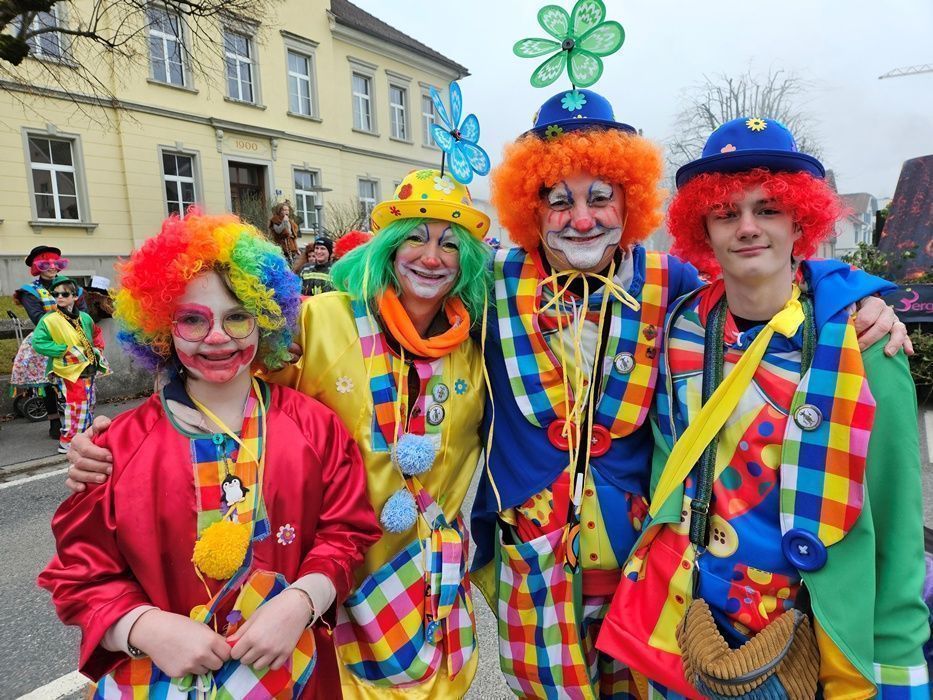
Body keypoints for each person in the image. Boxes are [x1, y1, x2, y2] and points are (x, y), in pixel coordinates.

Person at [468, 89, 913, 698]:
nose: (582, 220)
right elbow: (414, 272)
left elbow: (765, 272)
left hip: (647, 569)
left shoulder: (671, 286)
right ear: (530, 206)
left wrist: (855, 292)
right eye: (559, 200)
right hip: (536, 558)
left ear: (631, 202)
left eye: (600, 197)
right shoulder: (486, 283)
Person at [64, 169, 494, 699]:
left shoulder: (481, 342)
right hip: (331, 595)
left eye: (450, 244)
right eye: (415, 237)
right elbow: (227, 383)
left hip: (417, 580)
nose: (431, 257)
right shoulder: (322, 321)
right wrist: (127, 439)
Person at [596, 118, 930, 698]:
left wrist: (901, 675)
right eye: (726, 213)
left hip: (816, 636)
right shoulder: (678, 329)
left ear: (800, 221)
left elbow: (899, 529)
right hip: (694, 630)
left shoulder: (866, 344)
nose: (747, 227)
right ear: (703, 228)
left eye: (768, 209)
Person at [38, 211, 380, 698]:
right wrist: (144, 627)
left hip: (293, 677)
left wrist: (302, 600)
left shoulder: (315, 427)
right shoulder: (119, 447)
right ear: (162, 329)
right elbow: (81, 573)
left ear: (265, 320)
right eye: (193, 319)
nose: (217, 337)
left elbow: (346, 533)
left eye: (237, 316)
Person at [13, 246, 87, 438]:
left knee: (77, 379)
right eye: (46, 263)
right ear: (37, 266)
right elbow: (38, 318)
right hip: (46, 341)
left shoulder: (73, 287)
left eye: (56, 263)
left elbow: (84, 313)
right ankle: (54, 422)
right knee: (48, 383)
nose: (52, 267)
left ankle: (78, 420)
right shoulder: (30, 292)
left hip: (73, 339)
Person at [31, 275, 109, 454]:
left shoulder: (85, 318)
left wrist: (98, 349)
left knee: (89, 403)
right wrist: (64, 350)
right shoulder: (49, 320)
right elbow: (38, 342)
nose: (59, 297)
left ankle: (86, 437)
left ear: (74, 296)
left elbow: (96, 333)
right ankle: (69, 440)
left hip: (88, 367)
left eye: (64, 294)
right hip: (66, 369)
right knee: (75, 405)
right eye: (55, 294)